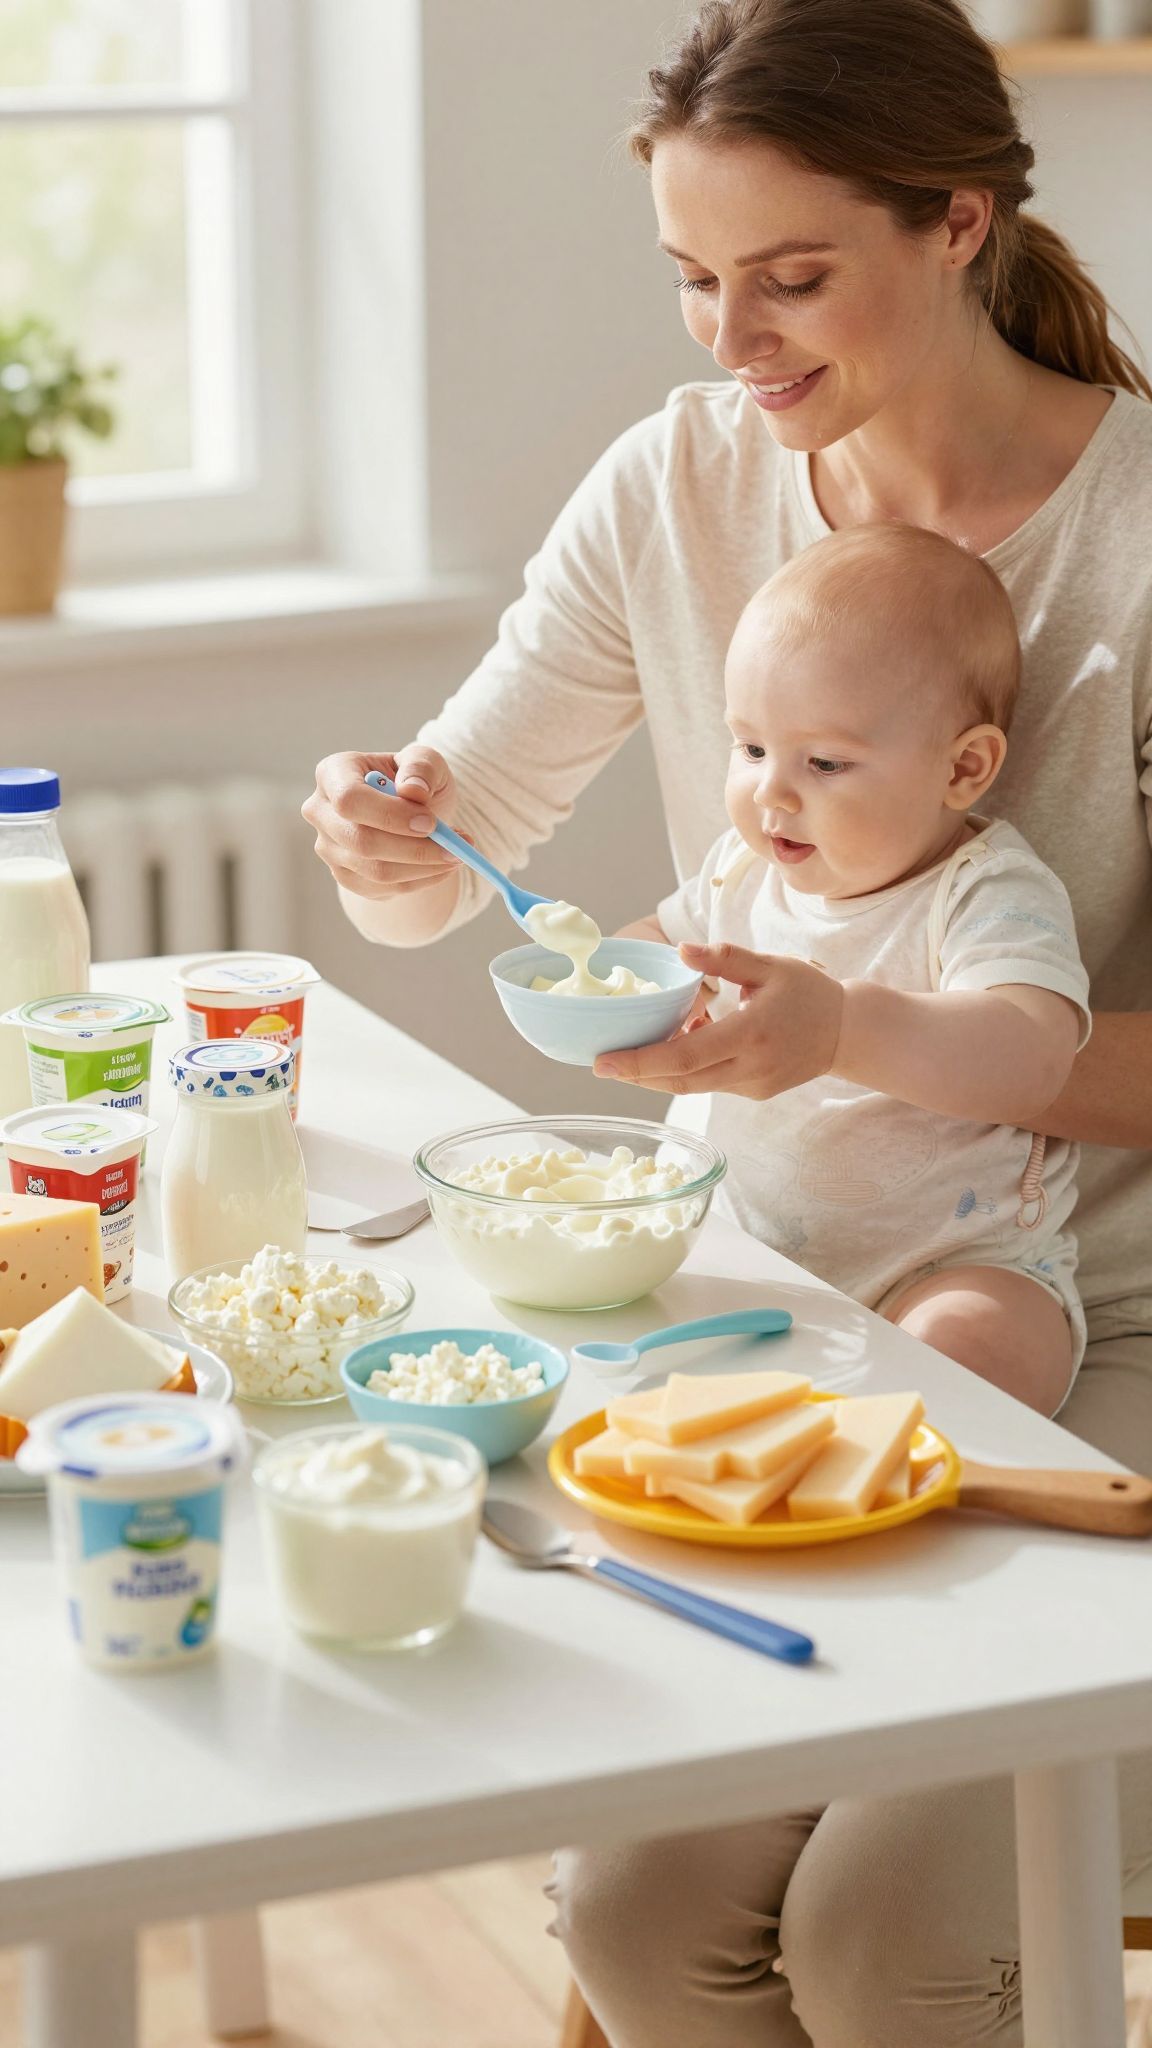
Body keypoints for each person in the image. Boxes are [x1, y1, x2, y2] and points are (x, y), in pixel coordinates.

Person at [303, 1, 1152, 2038]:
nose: (733, 339)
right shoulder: (679, 488)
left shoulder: (1134, 542)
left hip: (1086, 1315)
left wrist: (848, 1032)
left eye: (793, 277)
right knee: (640, 1918)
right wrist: (382, 832)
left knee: (888, 1936)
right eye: (695, 279)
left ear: (957, 225)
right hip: (799, 1308)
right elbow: (453, 849)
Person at [618, 522, 1090, 1417]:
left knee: (976, 1344)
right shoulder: (743, 865)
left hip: (947, 1264)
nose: (771, 794)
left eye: (824, 762)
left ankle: (895, 1449)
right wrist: (619, 978)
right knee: (616, 1288)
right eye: (751, 748)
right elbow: (663, 940)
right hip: (737, 1247)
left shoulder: (986, 891)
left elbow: (1032, 1058)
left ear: (964, 767)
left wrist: (841, 1028)